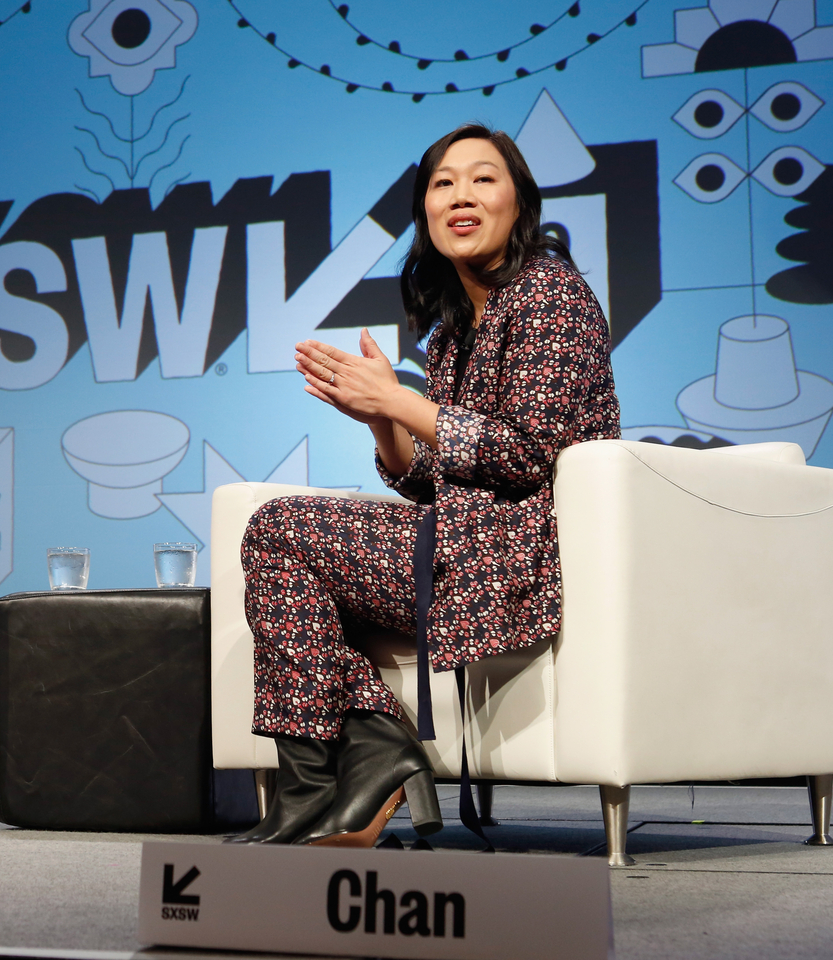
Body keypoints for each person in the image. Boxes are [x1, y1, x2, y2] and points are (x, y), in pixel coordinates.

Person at [232, 124, 620, 847]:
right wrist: (384, 420)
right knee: (282, 539)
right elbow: (436, 482)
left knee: (280, 530)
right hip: (464, 541)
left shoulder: (550, 294)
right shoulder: (452, 331)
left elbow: (527, 454)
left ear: (519, 203)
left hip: (519, 553)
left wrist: (402, 401)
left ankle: (346, 769)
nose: (461, 196)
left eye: (483, 179)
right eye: (444, 184)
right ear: (425, 212)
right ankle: (338, 773)